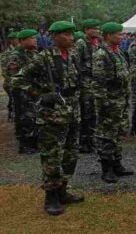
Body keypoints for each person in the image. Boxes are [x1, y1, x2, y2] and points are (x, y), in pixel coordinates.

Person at [13, 21, 84, 216]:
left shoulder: (73, 54)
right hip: (52, 114)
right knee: (52, 155)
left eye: (72, 34)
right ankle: (50, 197)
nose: (71, 38)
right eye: (67, 34)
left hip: (72, 110)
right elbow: (18, 80)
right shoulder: (43, 57)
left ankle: (63, 191)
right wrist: (39, 95)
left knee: (70, 153)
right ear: (55, 36)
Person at [92, 22, 134, 183]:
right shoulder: (101, 54)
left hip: (120, 100)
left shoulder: (118, 52)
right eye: (118, 34)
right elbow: (99, 82)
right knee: (107, 135)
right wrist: (104, 104)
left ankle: (117, 164)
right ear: (108, 36)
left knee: (118, 133)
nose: (122, 37)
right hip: (109, 102)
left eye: (122, 34)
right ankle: (106, 168)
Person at [3, 29, 39, 154]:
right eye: (32, 38)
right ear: (22, 41)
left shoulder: (33, 53)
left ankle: (33, 141)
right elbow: (13, 78)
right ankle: (25, 144)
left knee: (33, 116)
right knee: (24, 117)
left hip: (33, 90)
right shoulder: (15, 56)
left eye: (35, 38)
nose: (35, 40)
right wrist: (30, 89)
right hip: (21, 92)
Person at [75, 18, 101, 154]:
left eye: (97, 28)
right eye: (94, 29)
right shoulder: (81, 43)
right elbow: (76, 64)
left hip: (94, 83)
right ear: (86, 30)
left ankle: (91, 140)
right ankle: (83, 142)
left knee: (93, 113)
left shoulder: (95, 43)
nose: (97, 31)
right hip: (85, 84)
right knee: (85, 113)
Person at [1, 31, 18, 122]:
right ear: (11, 40)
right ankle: (12, 113)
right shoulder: (6, 54)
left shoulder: (21, 51)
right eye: (16, 39)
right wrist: (13, 81)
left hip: (20, 82)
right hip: (10, 83)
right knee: (14, 99)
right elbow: (4, 71)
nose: (18, 40)